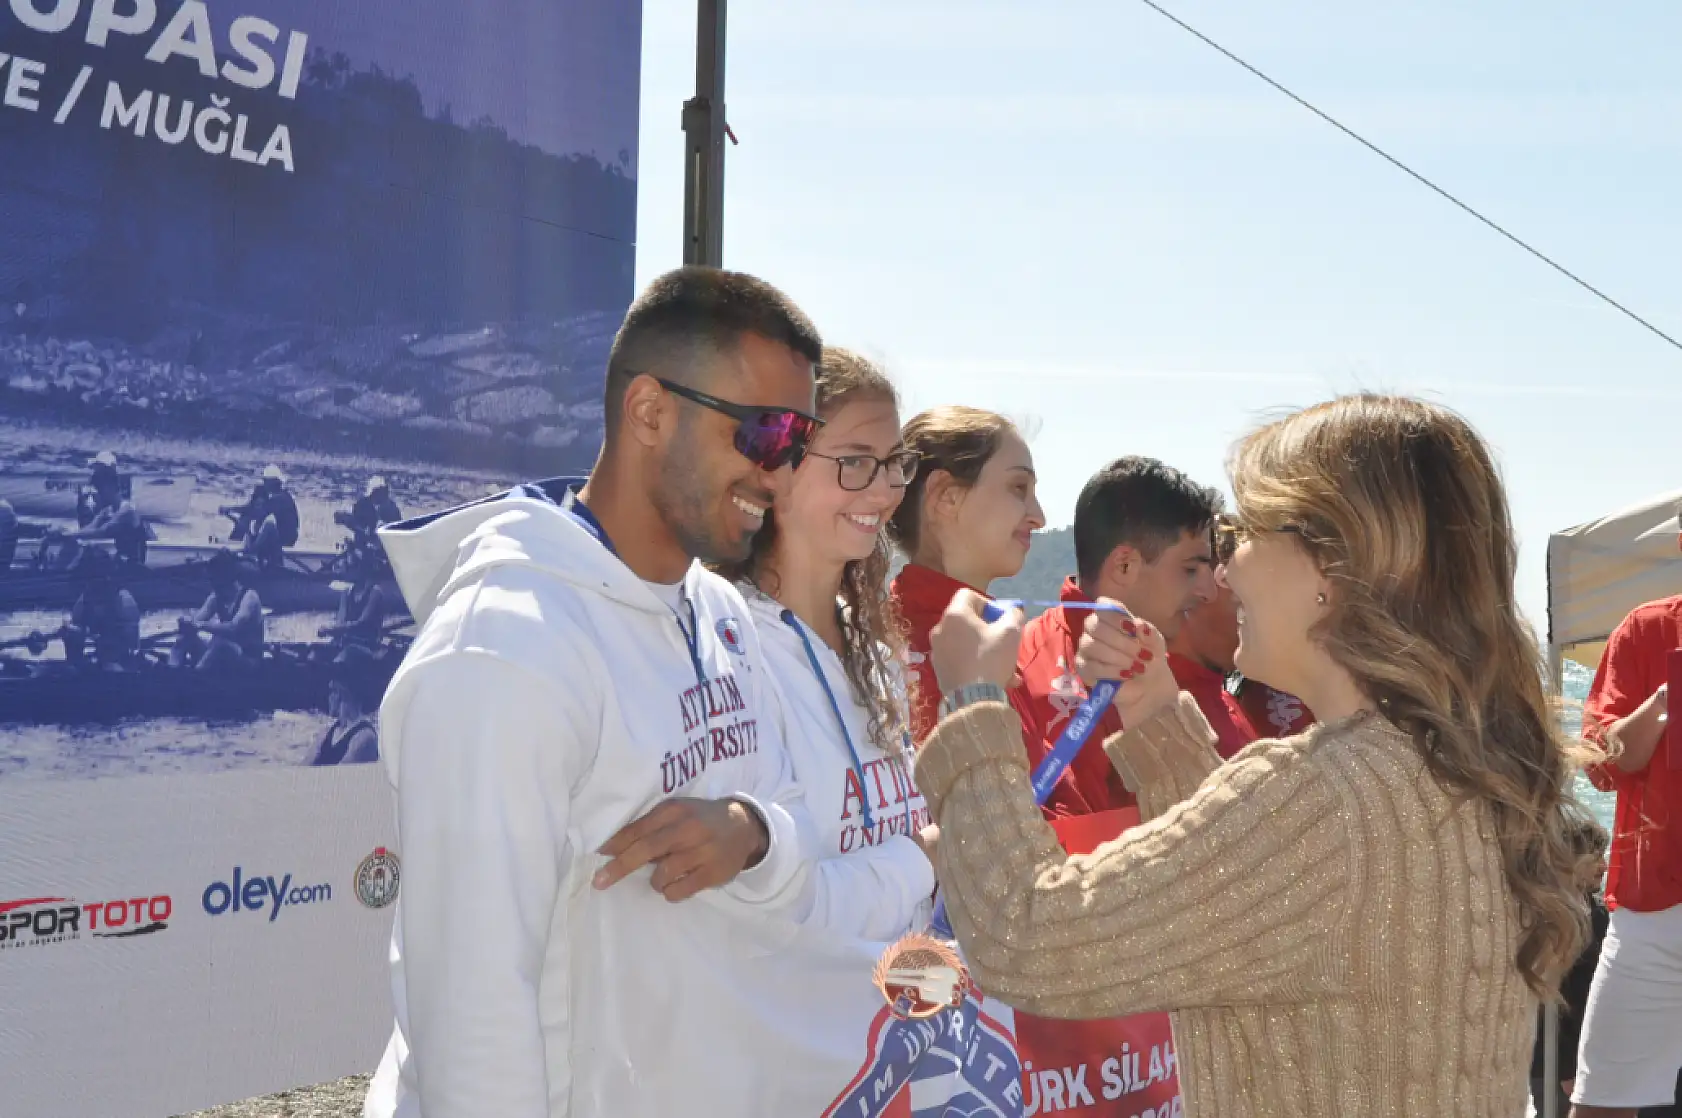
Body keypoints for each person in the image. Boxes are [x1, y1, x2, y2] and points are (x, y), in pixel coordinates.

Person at [912, 394, 1598, 1116]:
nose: (1223, 573)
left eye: (1243, 533)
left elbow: (1025, 937)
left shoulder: (1325, 798)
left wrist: (975, 707)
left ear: (1331, 570)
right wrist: (1151, 710)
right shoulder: (1448, 765)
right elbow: (1252, 897)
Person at [363, 267, 844, 1118]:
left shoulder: (723, 611)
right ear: (651, 412)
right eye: (764, 434)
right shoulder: (505, 650)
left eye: (800, 443)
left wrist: (753, 832)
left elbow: (804, 827)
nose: (780, 475)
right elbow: (472, 1016)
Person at [711, 347, 941, 1111]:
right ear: (776, 470)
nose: (882, 490)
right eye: (854, 462)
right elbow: (780, 908)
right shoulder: (724, 646)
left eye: (893, 463)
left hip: (881, 1067)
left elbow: (895, 923)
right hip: (773, 1077)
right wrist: (925, 858)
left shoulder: (877, 651)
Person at [1010, 455, 1224, 817]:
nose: (1209, 591)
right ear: (1124, 565)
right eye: (1190, 569)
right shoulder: (1023, 670)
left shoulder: (1178, 673)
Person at [1570, 526, 1682, 1118]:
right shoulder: (1646, 629)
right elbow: (1602, 767)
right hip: (1654, 913)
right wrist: (1667, 696)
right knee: (1601, 1105)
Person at [885, 406, 1044, 741]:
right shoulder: (886, 656)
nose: (1038, 516)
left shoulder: (989, 638)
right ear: (947, 497)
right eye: (1019, 487)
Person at [1534, 817, 1613, 1117]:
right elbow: (1549, 1001)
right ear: (1568, 860)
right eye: (1595, 858)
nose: (1604, 866)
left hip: (1591, 1057)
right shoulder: (1549, 920)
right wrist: (1566, 1067)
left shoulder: (1599, 914)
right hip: (1557, 1062)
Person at [1164, 513, 1260, 752]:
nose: (1255, 617)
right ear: (1199, 590)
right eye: (1242, 602)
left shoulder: (1219, 695)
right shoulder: (1158, 706)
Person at [171, 550, 264, 671]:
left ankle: (195, 677)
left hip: (249, 660)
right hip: (225, 655)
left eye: (213, 579)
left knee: (221, 644)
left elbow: (233, 628)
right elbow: (197, 620)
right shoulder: (216, 596)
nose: (211, 583)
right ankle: (171, 671)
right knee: (184, 639)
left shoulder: (249, 598)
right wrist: (187, 624)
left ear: (226, 577)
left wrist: (200, 625)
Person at [61, 548, 141, 671]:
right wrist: (70, 628)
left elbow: (132, 643)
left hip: (122, 663)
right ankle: (75, 669)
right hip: (98, 659)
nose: (89, 583)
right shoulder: (85, 599)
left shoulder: (123, 599)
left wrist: (104, 641)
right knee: (71, 637)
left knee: (110, 666)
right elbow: (75, 625)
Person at [310, 647, 382, 766]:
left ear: (343, 690)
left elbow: (338, 779)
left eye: (335, 680)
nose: (330, 683)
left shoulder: (364, 738)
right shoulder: (327, 732)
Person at [223, 465, 300, 569]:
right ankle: (234, 544)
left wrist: (233, 510)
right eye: (265, 481)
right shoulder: (263, 493)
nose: (265, 484)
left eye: (268, 482)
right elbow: (250, 508)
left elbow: (258, 511)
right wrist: (230, 509)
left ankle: (250, 553)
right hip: (268, 536)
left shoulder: (283, 498)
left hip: (285, 539)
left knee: (267, 524)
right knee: (245, 519)